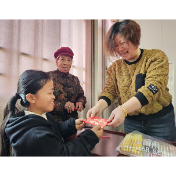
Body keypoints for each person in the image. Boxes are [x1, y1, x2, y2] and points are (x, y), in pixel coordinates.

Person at [87, 19, 176, 142]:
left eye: (122, 42)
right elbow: (109, 91)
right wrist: (98, 106)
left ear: (135, 39)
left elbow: (152, 88)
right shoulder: (115, 67)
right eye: (115, 45)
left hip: (160, 121)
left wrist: (123, 109)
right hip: (132, 122)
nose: (119, 49)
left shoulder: (156, 57)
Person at [0, 70, 103, 157]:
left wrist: (72, 125)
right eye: (50, 93)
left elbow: (56, 127)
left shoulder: (40, 116)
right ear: (31, 98)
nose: (53, 97)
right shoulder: (36, 136)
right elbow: (65, 154)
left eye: (53, 92)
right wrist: (90, 137)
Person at [47, 47, 86, 122]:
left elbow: (81, 96)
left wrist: (80, 102)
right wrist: (63, 105)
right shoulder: (48, 77)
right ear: (56, 61)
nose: (66, 63)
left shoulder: (75, 79)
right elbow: (43, 100)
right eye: (62, 59)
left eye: (69, 60)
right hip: (53, 122)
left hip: (73, 122)